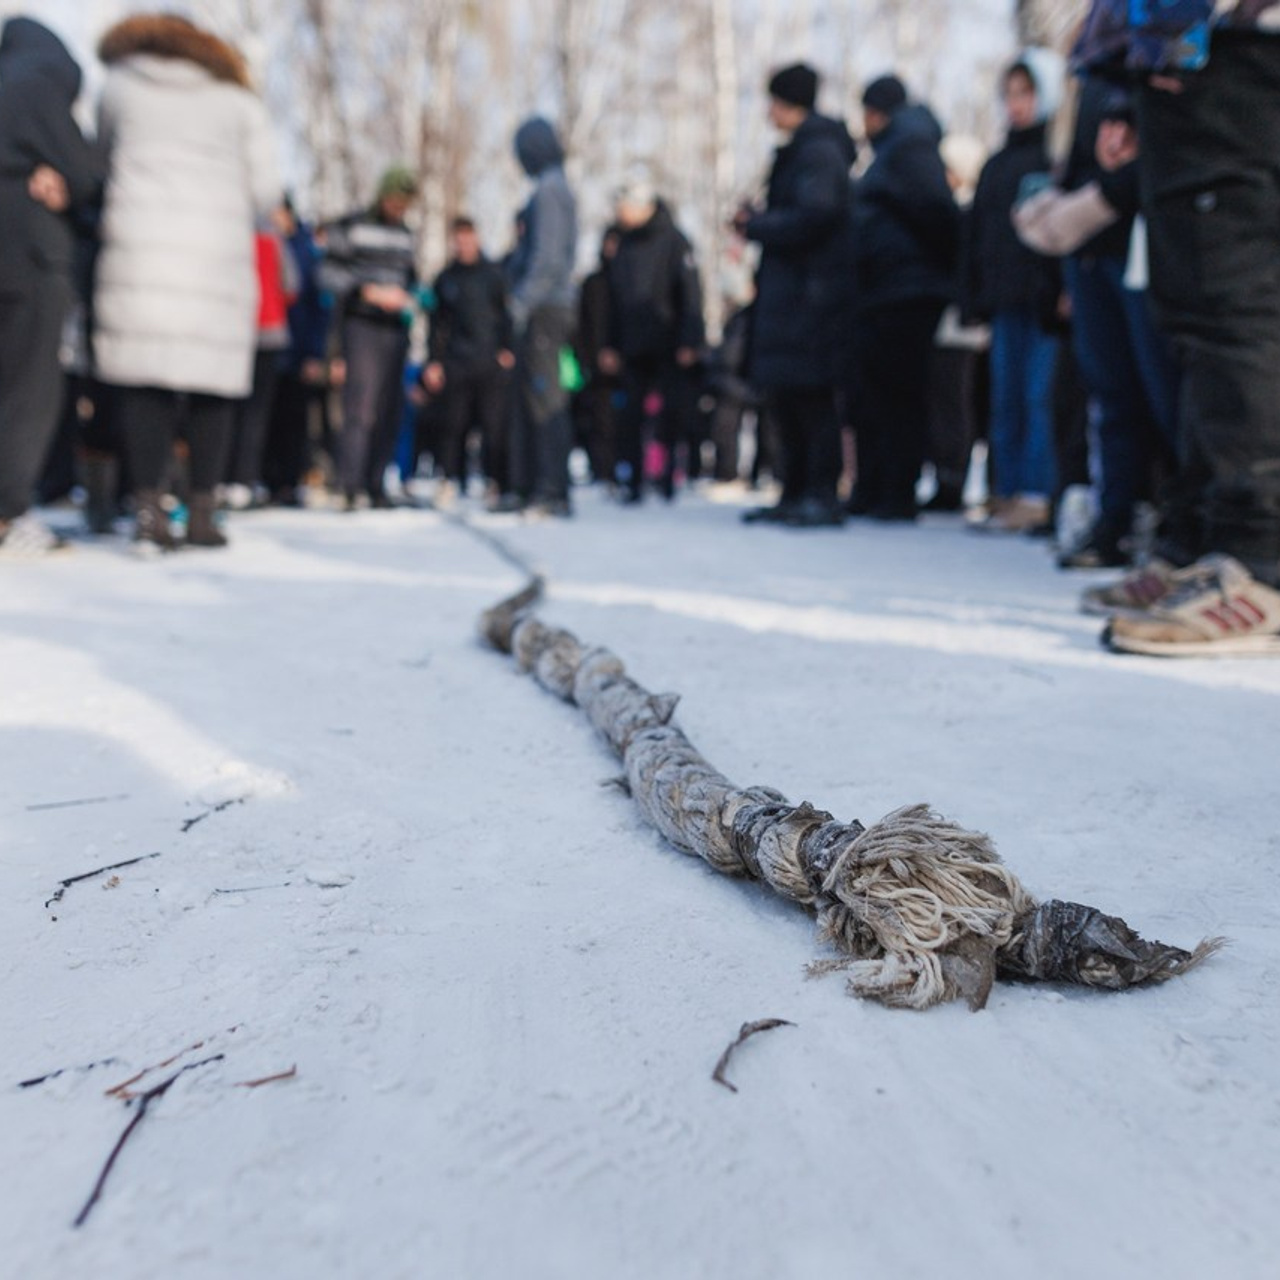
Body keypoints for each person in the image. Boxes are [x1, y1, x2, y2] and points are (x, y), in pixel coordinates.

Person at [1073, 1, 1280, 654]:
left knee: (1232, 306)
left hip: (1232, 42)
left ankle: (1257, 563)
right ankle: (1200, 542)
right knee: (1195, 316)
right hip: (1193, 44)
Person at [94, 13, 279, 549]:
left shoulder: (121, 86)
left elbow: (99, 163)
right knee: (212, 389)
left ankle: (149, 510)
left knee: (144, 382)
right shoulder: (238, 103)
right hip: (214, 258)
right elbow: (266, 193)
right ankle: (202, 511)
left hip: (139, 252)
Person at [737, 63, 856, 528]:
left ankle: (820, 492)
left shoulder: (819, 151)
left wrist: (758, 226)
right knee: (787, 399)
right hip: (794, 298)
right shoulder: (803, 151)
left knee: (811, 398)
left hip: (812, 298)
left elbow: (816, 215)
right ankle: (793, 489)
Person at [0, 17, 101, 556]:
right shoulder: (36, 83)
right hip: (29, 252)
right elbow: (85, 173)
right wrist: (62, 177)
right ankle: (9, 511)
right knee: (29, 388)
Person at [850, 74, 960, 522]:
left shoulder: (909, 147)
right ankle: (877, 486)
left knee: (899, 393)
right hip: (887, 289)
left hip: (906, 290)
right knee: (878, 394)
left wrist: (921, 268)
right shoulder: (896, 149)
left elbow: (939, 213)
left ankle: (896, 489)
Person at [962, 53, 1063, 533]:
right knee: (1004, 398)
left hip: (1044, 299)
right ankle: (1005, 489)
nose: (1017, 104)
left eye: (1027, 93)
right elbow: (978, 234)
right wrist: (973, 296)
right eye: (1011, 94)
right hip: (1003, 300)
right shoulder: (999, 163)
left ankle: (1038, 492)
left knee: (1039, 394)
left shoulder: (1056, 157)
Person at [598, 172, 704, 503]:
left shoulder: (675, 241)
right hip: (632, 344)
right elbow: (614, 300)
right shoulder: (624, 245)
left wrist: (690, 339)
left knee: (670, 414)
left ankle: (669, 475)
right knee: (629, 414)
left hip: (668, 342)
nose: (619, 212)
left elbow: (690, 292)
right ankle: (633, 480)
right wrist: (610, 343)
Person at [320, 167, 420, 509]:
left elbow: (412, 278)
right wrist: (366, 291)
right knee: (359, 405)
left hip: (395, 328)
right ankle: (350, 484)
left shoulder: (406, 234)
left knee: (390, 407)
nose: (399, 207)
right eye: (395, 199)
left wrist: (410, 296)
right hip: (361, 325)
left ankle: (376, 484)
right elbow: (328, 273)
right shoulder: (353, 226)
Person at [503, 117, 578, 517]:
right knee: (529, 399)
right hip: (543, 307)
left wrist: (521, 301)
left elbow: (547, 260)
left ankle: (552, 489)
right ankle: (529, 485)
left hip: (546, 310)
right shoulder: (550, 189)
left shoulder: (550, 192)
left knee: (545, 400)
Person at [423, 217, 515, 505]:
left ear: (477, 239)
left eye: (468, 239)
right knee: (453, 425)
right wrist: (434, 361)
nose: (464, 245)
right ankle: (450, 478)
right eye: (458, 240)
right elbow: (437, 324)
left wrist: (507, 348)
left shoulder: (494, 275)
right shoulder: (445, 278)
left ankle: (495, 481)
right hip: (456, 362)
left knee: (493, 426)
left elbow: (506, 315)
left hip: (490, 361)